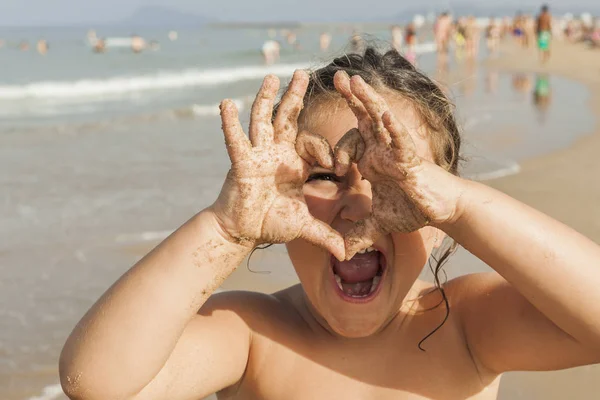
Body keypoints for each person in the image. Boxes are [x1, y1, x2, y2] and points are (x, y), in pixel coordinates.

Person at [59, 47, 600, 400]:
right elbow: (97, 383)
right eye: (323, 175)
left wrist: (461, 205)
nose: (359, 204)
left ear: (438, 211)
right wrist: (224, 230)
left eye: (397, 178)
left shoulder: (466, 326)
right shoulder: (254, 335)